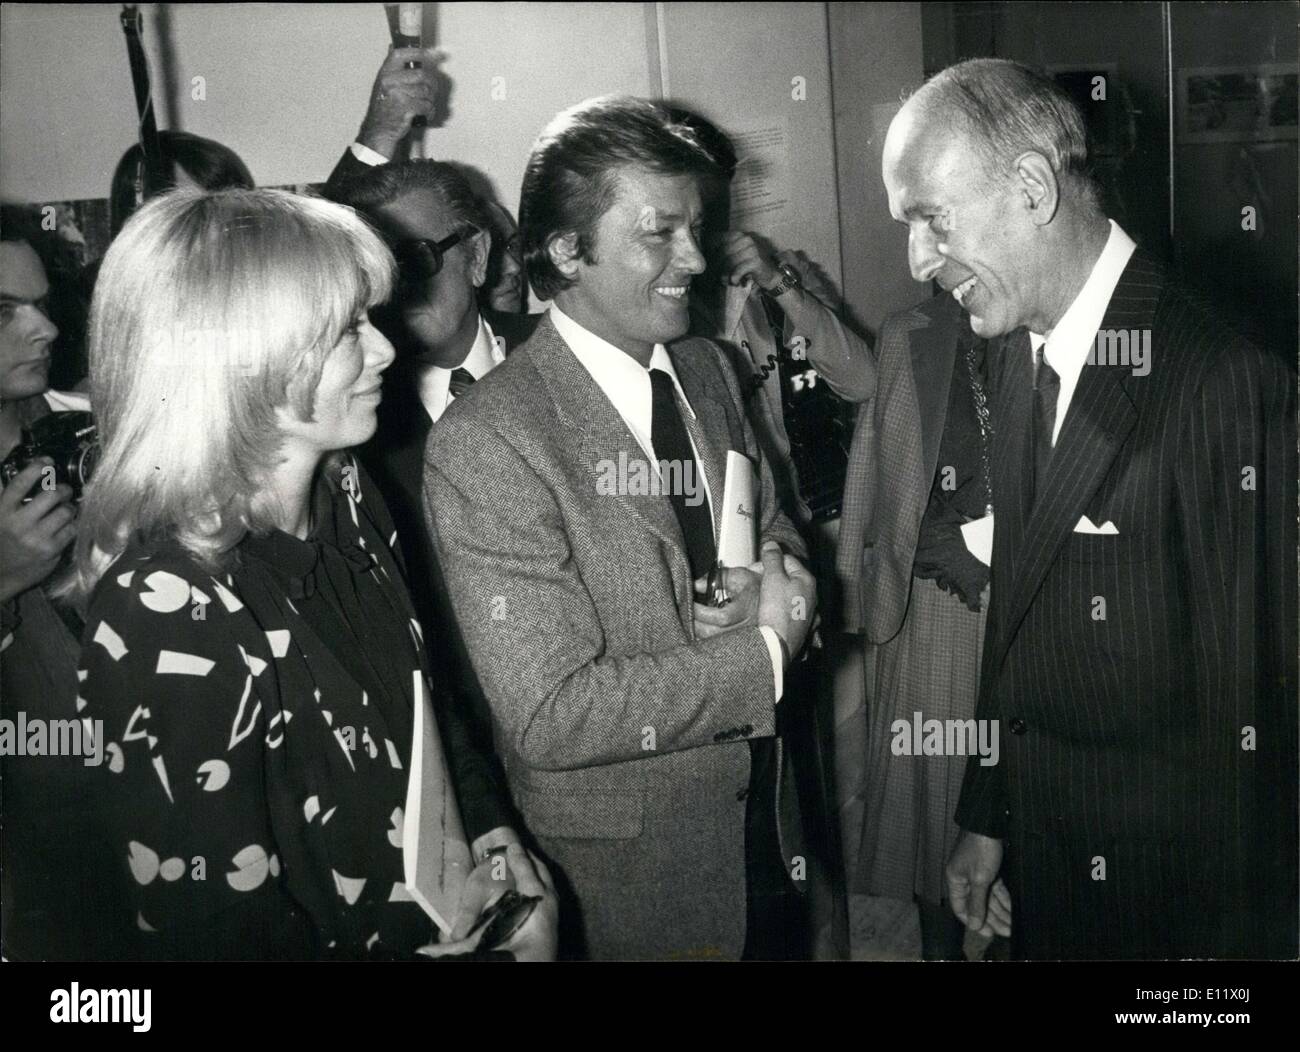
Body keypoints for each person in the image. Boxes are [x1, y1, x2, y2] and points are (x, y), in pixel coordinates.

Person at [66, 187, 556, 961]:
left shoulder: (350, 494)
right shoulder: (166, 610)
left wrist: (494, 841)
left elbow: (427, 709)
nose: (388, 350)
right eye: (346, 331)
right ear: (240, 362)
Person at [878, 58, 1296, 959]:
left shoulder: (1217, 377)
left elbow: (1256, 724)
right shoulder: (1021, 351)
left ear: (1032, 186)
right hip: (1050, 868)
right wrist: (987, 813)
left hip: (1169, 906)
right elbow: (1016, 620)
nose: (918, 260)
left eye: (930, 219)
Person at [424, 96, 818, 960]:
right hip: (630, 878)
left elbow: (774, 519)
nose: (694, 258)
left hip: (770, 819)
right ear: (566, 250)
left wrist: (777, 572)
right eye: (659, 233)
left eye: (698, 228)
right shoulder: (490, 440)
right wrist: (765, 654)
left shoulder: (709, 368)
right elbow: (551, 715)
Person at [831, 286, 1007, 959]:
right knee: (936, 792)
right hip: (935, 600)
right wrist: (852, 586)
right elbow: (872, 461)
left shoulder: (1060, 325)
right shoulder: (908, 331)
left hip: (1042, 593)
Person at [0, 206, 117, 960]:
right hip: (41, 866)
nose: (43, 329)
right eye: (6, 313)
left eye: (42, 305)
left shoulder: (99, 426)